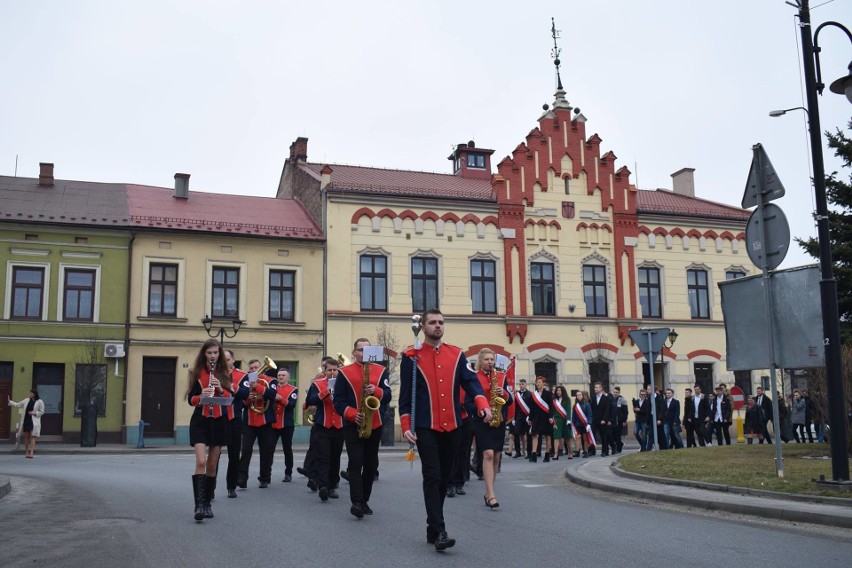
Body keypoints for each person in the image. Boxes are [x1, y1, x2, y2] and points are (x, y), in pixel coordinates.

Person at [400, 309, 492, 552]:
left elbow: (471, 383)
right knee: (432, 475)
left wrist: (482, 404)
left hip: (453, 425)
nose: (437, 326)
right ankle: (440, 530)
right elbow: (405, 397)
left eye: (441, 322)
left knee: (444, 477)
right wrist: (406, 423)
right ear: (424, 326)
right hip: (425, 426)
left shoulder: (457, 354)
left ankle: (432, 526)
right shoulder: (411, 356)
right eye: (432, 322)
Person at [333, 338, 392, 519]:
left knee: (370, 464)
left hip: (374, 423)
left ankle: (365, 499)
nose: (363, 353)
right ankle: (356, 502)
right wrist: (351, 414)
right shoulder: (344, 372)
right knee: (355, 462)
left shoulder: (381, 371)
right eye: (360, 350)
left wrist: (377, 390)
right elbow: (338, 401)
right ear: (354, 352)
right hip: (353, 424)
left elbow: (388, 395)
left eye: (367, 350)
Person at [186, 338, 232, 521]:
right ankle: (199, 506)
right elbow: (190, 399)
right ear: (204, 354)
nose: (212, 356)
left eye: (215, 353)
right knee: (201, 462)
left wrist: (220, 390)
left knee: (212, 464)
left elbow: (231, 396)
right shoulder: (196, 372)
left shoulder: (224, 372)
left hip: (219, 420)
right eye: (209, 353)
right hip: (200, 420)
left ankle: (207, 503)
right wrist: (200, 396)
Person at [468, 348, 512, 508]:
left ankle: (489, 491)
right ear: (481, 361)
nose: (490, 362)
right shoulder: (473, 377)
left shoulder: (501, 377)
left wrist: (505, 394)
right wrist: (480, 411)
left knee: (496, 457)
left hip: (498, 420)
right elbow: (468, 401)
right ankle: (492, 494)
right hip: (481, 422)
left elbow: (510, 400)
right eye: (486, 359)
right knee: (487, 454)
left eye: (492, 359)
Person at [306, 356, 343, 501]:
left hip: (339, 425)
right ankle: (323, 486)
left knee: (335, 457)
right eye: (329, 370)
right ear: (325, 370)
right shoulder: (317, 383)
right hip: (323, 425)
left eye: (335, 370)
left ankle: (333, 485)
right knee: (323, 457)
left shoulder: (344, 383)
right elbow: (310, 400)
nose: (332, 372)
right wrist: (326, 392)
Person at [237, 365, 277, 489]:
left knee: (266, 451)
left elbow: (273, 394)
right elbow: (240, 403)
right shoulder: (245, 381)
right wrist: (248, 399)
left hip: (265, 422)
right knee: (246, 451)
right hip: (249, 422)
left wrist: (258, 387)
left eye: (257, 367)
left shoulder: (271, 380)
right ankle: (242, 479)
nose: (254, 370)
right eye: (252, 368)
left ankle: (264, 478)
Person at [223, 349, 250, 498]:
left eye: (227, 360)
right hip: (218, 418)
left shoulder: (241, 375)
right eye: (223, 360)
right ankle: (209, 489)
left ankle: (231, 486)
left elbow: (246, 394)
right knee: (214, 455)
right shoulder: (213, 374)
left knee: (233, 456)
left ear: (233, 360)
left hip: (234, 418)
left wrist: (231, 385)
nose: (225, 362)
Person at [270, 367, 298, 482]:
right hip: (273, 423)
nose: (281, 377)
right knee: (269, 450)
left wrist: (280, 399)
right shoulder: (272, 388)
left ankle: (288, 473)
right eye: (279, 375)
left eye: (283, 375)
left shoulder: (293, 389)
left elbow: (292, 405)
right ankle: (266, 475)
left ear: (288, 377)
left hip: (287, 424)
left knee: (287, 449)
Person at [7, 389, 44, 458]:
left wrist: (34, 413)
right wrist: (10, 402)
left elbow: (42, 411)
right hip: (26, 420)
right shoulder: (26, 400)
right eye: (29, 393)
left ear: (34, 394)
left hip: (34, 421)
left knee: (33, 436)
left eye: (31, 393)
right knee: (26, 437)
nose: (29, 394)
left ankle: (32, 452)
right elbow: (18, 405)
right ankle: (26, 452)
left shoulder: (40, 401)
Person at [528, 376, 553, 462]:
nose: (538, 384)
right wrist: (530, 418)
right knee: (535, 435)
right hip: (536, 418)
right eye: (537, 382)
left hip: (546, 418)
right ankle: (534, 454)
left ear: (543, 383)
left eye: (539, 382)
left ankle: (547, 455)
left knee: (547, 436)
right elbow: (531, 408)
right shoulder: (534, 394)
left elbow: (551, 407)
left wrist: (550, 417)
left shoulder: (548, 394)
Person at [589, 382, 613, 456]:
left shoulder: (606, 398)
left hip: (602, 420)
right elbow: (592, 409)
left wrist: (604, 419)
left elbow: (607, 410)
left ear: (601, 388)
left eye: (596, 387)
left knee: (603, 436)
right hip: (594, 420)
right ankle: (592, 450)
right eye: (595, 387)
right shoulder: (593, 398)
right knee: (592, 435)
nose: (595, 389)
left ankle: (605, 451)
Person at [511, 378, 531, 458]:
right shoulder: (517, 394)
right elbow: (514, 407)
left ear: (525, 384)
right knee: (516, 433)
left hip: (527, 417)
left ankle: (529, 453)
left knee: (528, 435)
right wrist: (514, 418)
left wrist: (530, 417)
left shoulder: (530, 394)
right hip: (518, 417)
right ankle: (518, 452)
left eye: (523, 384)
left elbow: (531, 407)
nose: (521, 385)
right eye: (520, 384)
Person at [551, 385, 572, 459]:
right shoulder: (554, 400)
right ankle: (556, 454)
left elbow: (568, 410)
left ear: (563, 391)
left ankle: (570, 452)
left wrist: (569, 419)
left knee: (567, 437)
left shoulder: (567, 399)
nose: (558, 392)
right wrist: (552, 418)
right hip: (557, 420)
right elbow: (553, 411)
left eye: (560, 390)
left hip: (565, 420)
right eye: (557, 390)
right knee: (556, 437)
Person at [571, 390, 594, 457]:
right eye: (577, 395)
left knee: (585, 439)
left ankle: (586, 452)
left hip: (585, 424)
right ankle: (577, 451)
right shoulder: (575, 405)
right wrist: (573, 423)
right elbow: (574, 415)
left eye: (580, 395)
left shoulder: (586, 404)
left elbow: (589, 415)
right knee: (577, 438)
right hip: (577, 425)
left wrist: (589, 423)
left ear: (582, 396)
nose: (578, 396)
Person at [611, 386, 628, 454]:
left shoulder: (622, 400)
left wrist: (624, 420)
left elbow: (625, 412)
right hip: (612, 420)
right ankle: (620, 444)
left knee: (618, 435)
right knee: (612, 435)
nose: (615, 393)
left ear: (619, 392)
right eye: (614, 392)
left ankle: (618, 448)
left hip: (619, 420)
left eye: (617, 392)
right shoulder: (611, 399)